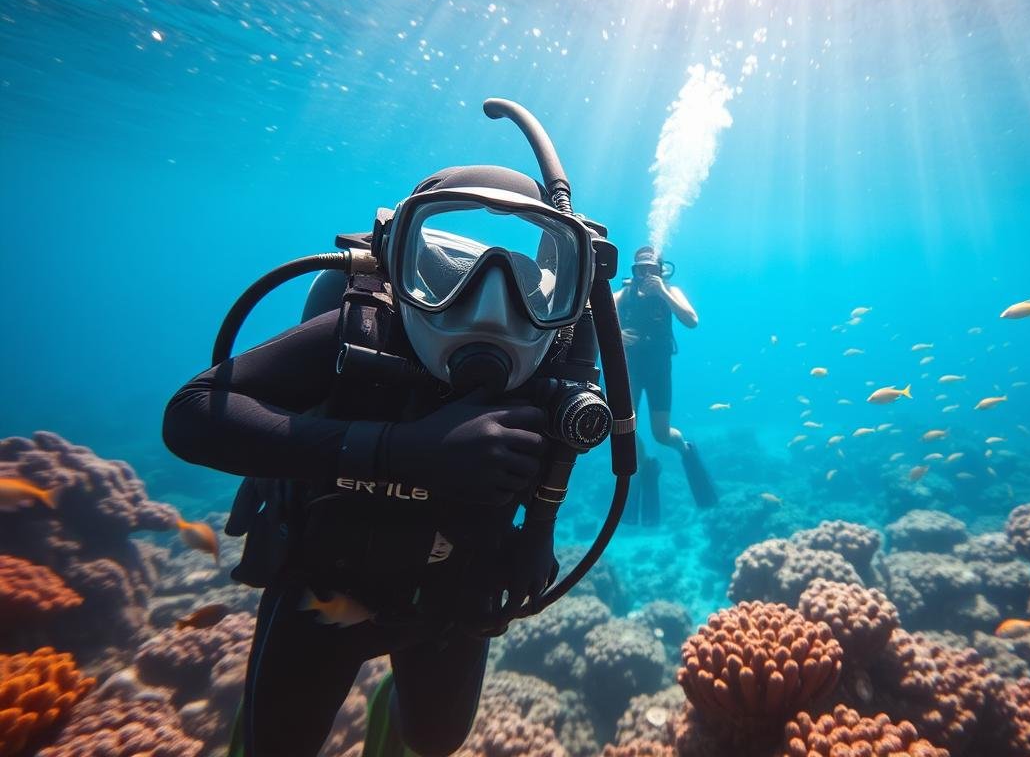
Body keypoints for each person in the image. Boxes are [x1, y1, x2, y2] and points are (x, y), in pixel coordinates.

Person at [162, 164, 606, 757]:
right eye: (447, 278)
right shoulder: (365, 334)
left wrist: (539, 534)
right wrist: (399, 452)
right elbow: (189, 414)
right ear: (395, 260)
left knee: (436, 740)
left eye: (521, 282)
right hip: (319, 586)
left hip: (454, 596)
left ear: (568, 292)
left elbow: (561, 453)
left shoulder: (552, 358)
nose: (492, 310)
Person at [614, 245, 717, 524]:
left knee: (661, 435)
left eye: (652, 270)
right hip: (631, 369)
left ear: (661, 271)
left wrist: (661, 292)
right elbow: (595, 312)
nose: (646, 275)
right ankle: (647, 464)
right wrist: (617, 334)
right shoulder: (624, 294)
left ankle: (685, 449)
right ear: (633, 272)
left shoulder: (670, 292)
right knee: (622, 426)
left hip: (659, 370)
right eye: (640, 270)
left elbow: (691, 320)